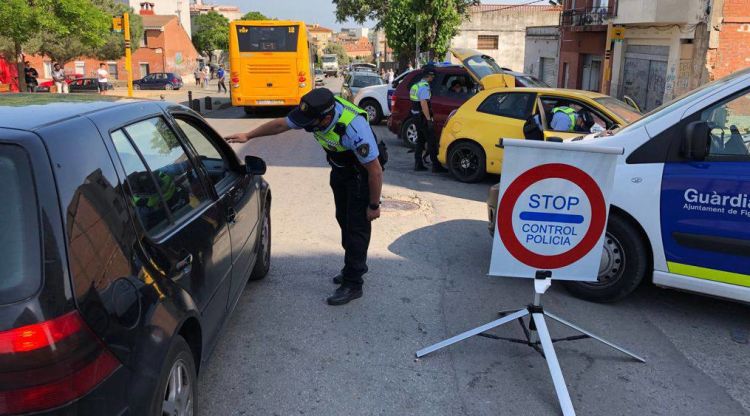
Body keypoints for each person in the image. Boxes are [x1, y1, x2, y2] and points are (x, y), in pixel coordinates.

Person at [224, 89, 384, 306]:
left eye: (310, 122)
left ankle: (353, 283)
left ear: (327, 118)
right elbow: (282, 124)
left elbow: (375, 171)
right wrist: (248, 135)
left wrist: (374, 205)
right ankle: (354, 266)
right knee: (343, 220)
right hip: (341, 171)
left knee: (357, 227)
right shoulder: (315, 110)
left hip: (361, 177)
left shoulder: (354, 129)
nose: (304, 125)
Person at [409, 64, 447, 173]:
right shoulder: (424, 87)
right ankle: (436, 165)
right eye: (433, 76)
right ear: (429, 75)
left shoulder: (416, 85)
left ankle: (418, 163)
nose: (433, 78)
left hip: (415, 116)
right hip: (422, 117)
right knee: (431, 141)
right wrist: (429, 119)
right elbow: (424, 103)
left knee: (420, 140)